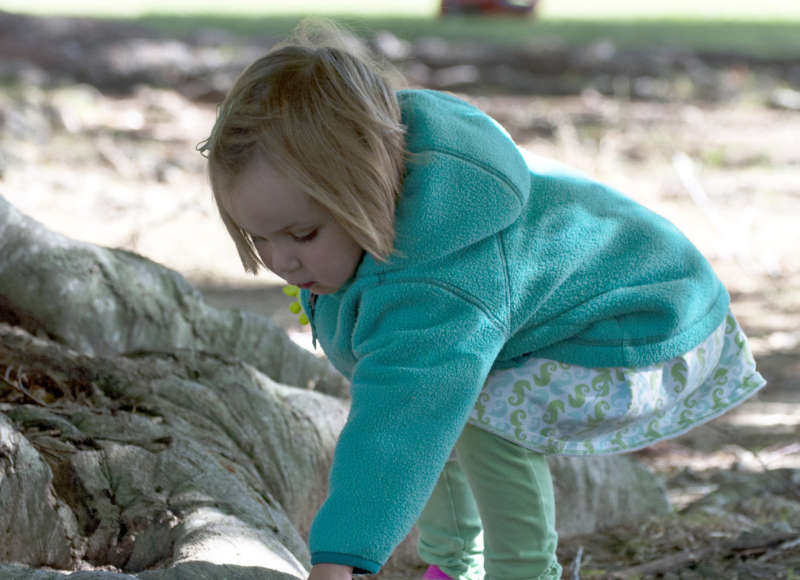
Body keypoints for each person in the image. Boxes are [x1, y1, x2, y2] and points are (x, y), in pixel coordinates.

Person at [199, 20, 766, 580]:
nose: (281, 262)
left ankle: (523, 572)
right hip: (601, 308)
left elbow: (397, 431)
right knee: (447, 400)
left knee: (474, 410)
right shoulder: (383, 201)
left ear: (366, 185)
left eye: (302, 236)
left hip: (645, 321)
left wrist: (339, 556)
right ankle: (455, 568)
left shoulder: (438, 281)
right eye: (259, 238)